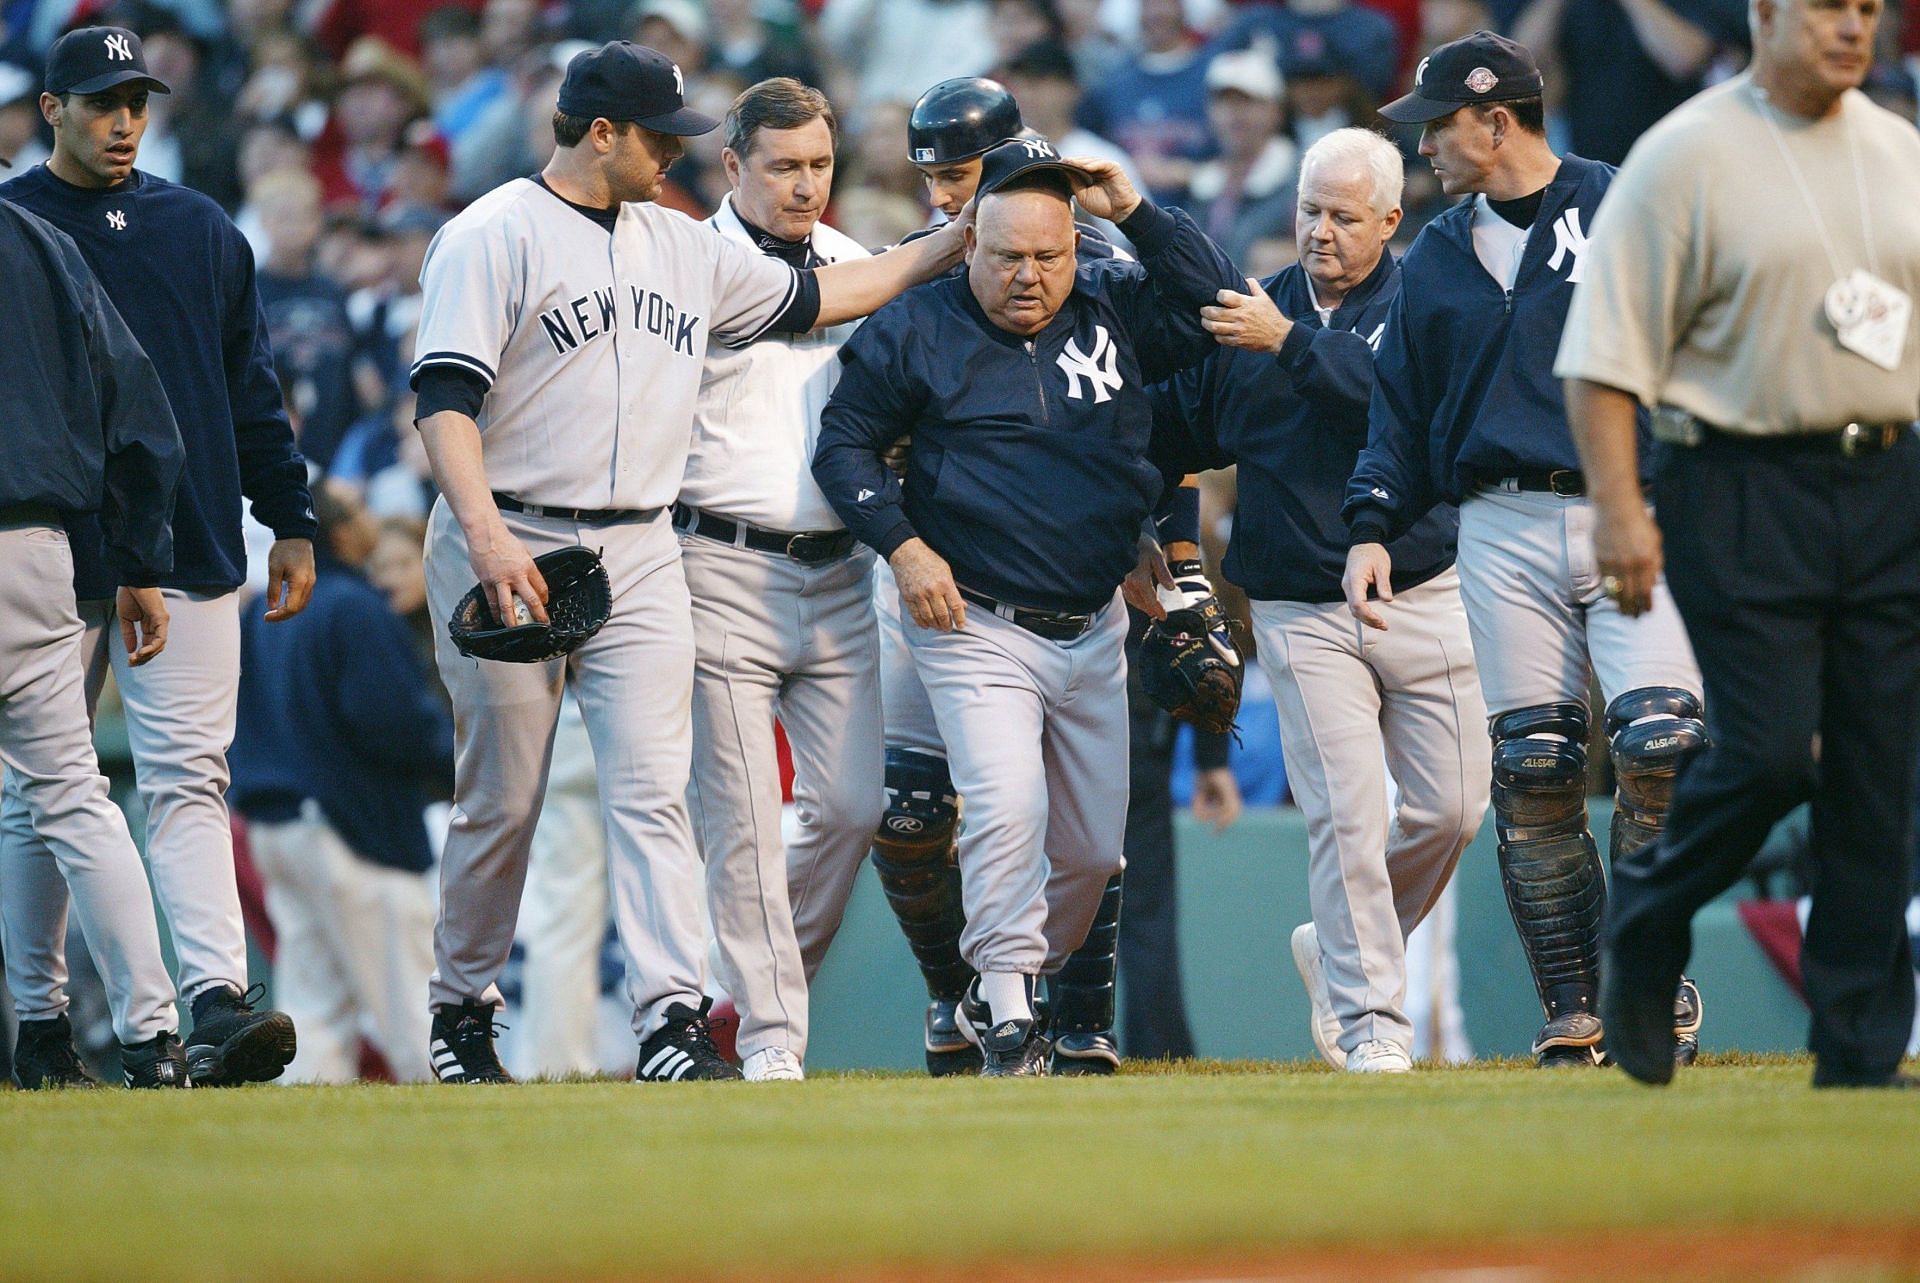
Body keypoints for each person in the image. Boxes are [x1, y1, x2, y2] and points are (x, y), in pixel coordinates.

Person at [407, 40, 972, 1085]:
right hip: (511, 528)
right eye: (662, 135)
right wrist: (484, 535)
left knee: (653, 789)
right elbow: (444, 397)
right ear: (603, 131)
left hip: (639, 541)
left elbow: (832, 297)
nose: (678, 153)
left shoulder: (680, 244)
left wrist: (953, 243)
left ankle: (670, 1018)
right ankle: (461, 1000)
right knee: (506, 793)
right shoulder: (491, 233)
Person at [813, 137, 1242, 1076]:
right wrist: (904, 543)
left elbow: (1219, 304)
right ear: (968, 246)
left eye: (1049, 256)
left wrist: (1136, 212)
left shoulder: (1115, 301)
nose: (1028, 276)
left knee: (1092, 854)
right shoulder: (918, 325)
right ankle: (1010, 1012)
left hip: (1096, 622)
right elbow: (842, 446)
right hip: (973, 617)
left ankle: (992, 979)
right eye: (1006, 256)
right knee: (1004, 804)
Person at [1556, 0, 1920, 1088]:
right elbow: (1602, 355)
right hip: (1738, 476)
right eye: (1828, 9)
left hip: (1892, 475)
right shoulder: (1685, 153)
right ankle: (1648, 918)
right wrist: (1620, 507)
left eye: (1869, 9)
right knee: (1765, 749)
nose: (1853, 28)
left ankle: (1856, 1048)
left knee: (1878, 773)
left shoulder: (1901, 149)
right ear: (1764, 13)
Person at [1341, 31, 1706, 1068]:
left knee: (1660, 742)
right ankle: (1573, 1005)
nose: (1427, 152)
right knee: (1535, 765)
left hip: (1625, 502)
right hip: (1496, 519)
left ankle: (1648, 965)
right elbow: (1399, 413)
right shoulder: (1438, 255)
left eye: (1440, 129)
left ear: (1496, 123)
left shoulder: (1624, 202)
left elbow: (1689, 347)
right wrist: (1370, 525)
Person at [0, 26, 317, 1088]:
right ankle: (41, 1017)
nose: (124, 120)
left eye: (137, 100)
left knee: (186, 780)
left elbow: (251, 389)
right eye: (100, 102)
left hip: (186, 538)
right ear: (51, 110)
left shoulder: (199, 226)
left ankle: (217, 1002)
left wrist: (292, 515)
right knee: (43, 796)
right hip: (53, 547)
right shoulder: (20, 223)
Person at [1152, 127, 1491, 1073]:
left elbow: (1409, 418)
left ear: (1392, 219)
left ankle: (1335, 945)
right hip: (1301, 603)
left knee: (1454, 810)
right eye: (1309, 210)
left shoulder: (1425, 303)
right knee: (1346, 815)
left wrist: (1292, 344)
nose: (1321, 232)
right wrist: (1162, 532)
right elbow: (1174, 431)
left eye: (1345, 216)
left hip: (1423, 588)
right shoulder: (1248, 313)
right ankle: (1371, 1022)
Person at [676, 78, 882, 1083]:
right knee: (745, 822)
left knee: (851, 806)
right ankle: (770, 1044)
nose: (806, 186)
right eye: (784, 166)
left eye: (820, 165)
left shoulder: (855, 265)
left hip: (841, 570)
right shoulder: (689, 265)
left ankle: (745, 1004)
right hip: (718, 559)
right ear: (732, 166)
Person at [0, 191, 187, 1089]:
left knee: (53, 801)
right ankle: (150, 1042)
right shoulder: (39, 242)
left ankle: (42, 1028)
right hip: (36, 550)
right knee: (71, 798)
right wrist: (138, 556)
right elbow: (141, 413)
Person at [232, 484, 452, 1084]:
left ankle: (303, 1139)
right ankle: (457, 1133)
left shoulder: (263, 609)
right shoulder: (352, 605)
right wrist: (456, 765)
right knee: (411, 998)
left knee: (315, 1005)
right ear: (339, 533)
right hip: (350, 824)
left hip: (275, 828)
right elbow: (392, 721)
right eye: (357, 516)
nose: (370, 526)